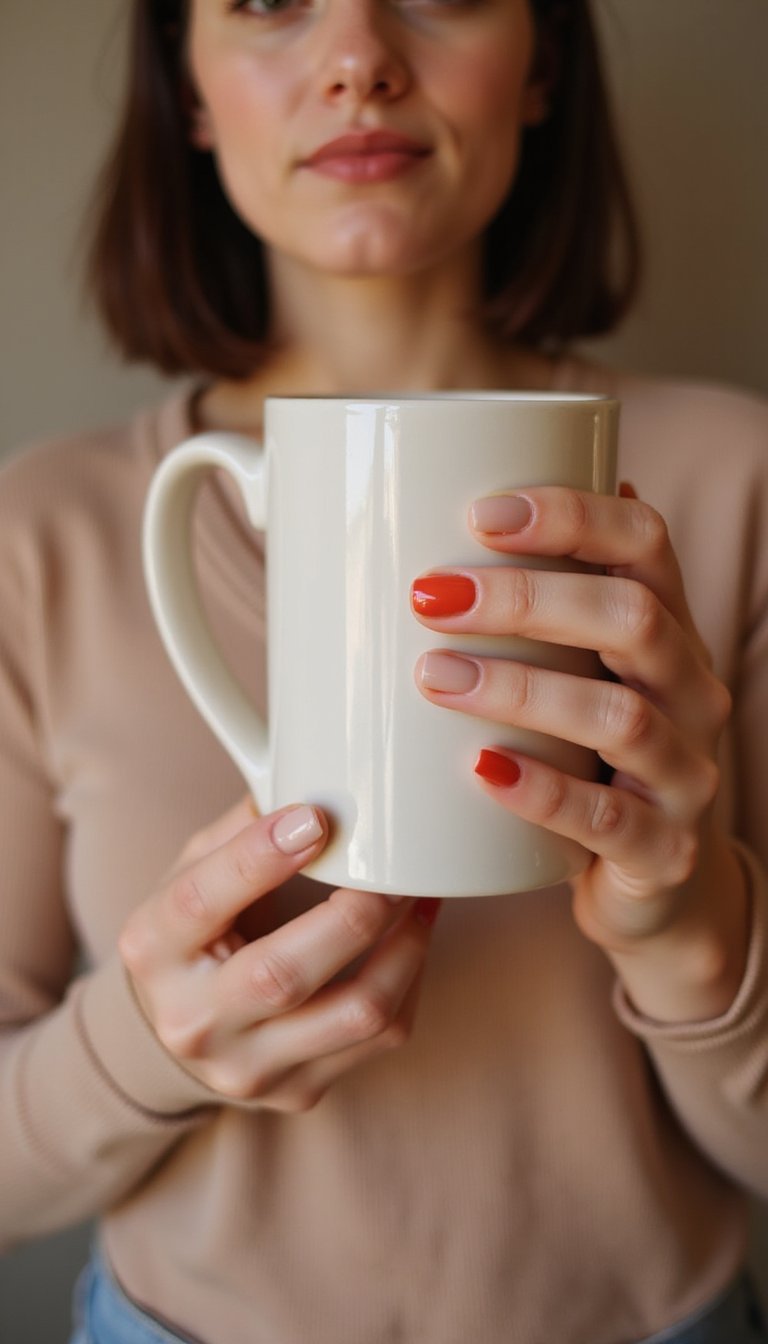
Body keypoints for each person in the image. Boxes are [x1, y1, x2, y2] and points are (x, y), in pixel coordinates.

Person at [0, 0, 767, 1341]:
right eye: (269, 3)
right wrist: (144, 1047)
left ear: (543, 69)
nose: (359, 57)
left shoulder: (734, 487)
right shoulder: (38, 539)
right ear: (186, 87)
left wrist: (697, 935)